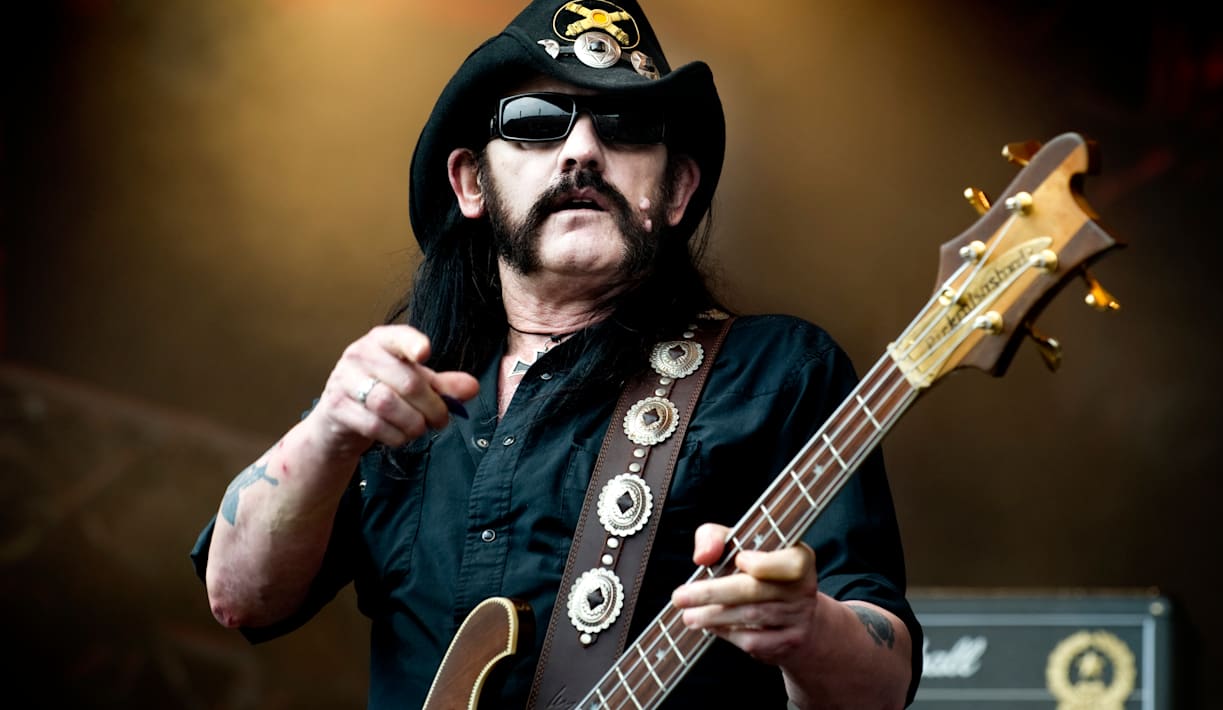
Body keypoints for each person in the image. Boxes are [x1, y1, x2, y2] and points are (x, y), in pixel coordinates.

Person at [190, 1, 923, 707]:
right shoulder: (400, 395)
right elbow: (238, 597)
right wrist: (327, 431)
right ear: (471, 183)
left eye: (627, 125)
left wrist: (808, 629)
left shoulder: (777, 372)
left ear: (677, 190)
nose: (582, 150)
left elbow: (882, 689)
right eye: (536, 122)